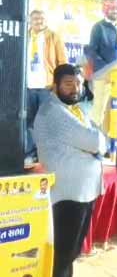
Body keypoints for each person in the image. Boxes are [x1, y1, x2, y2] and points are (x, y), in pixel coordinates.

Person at [34, 63, 106, 277]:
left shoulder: (74, 110)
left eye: (77, 83)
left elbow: (97, 140)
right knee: (60, 262)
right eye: (68, 84)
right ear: (55, 86)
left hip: (82, 193)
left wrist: (94, 142)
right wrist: (95, 142)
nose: (75, 88)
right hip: (66, 197)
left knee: (69, 258)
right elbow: (96, 140)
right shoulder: (53, 112)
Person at [25, 10, 67, 165]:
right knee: (29, 122)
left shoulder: (53, 37)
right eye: (36, 18)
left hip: (47, 87)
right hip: (27, 86)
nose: (39, 21)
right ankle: (30, 154)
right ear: (29, 20)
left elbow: (62, 63)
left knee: (47, 122)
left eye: (42, 18)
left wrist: (60, 85)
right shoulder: (25, 36)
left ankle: (47, 154)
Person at [87, 0, 117, 74]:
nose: (115, 11)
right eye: (112, 9)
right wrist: (106, 69)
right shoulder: (98, 27)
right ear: (106, 10)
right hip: (103, 75)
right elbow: (92, 52)